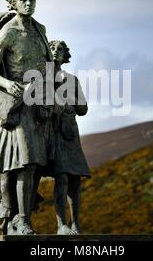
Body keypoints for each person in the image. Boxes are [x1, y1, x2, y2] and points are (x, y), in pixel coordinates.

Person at [0, 0, 54, 235]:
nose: (29, 3)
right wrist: (8, 84)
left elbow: (49, 67)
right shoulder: (7, 33)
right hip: (17, 105)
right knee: (22, 164)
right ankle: (20, 219)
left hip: (39, 104)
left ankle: (20, 216)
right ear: (13, 3)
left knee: (37, 166)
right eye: (23, 0)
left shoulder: (40, 31)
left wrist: (48, 100)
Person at [48, 40, 91, 235]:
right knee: (62, 176)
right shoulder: (42, 77)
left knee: (75, 180)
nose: (56, 51)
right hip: (52, 130)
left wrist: (67, 99)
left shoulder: (72, 80)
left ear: (66, 55)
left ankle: (76, 224)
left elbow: (83, 109)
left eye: (60, 49)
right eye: (52, 48)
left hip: (70, 130)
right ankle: (61, 225)